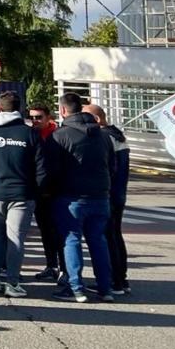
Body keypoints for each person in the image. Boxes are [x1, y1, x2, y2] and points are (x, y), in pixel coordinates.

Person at [0, 91, 44, 299]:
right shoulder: (29, 133)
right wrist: (35, 190)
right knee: (16, 238)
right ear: (19, 109)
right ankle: (12, 281)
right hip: (22, 194)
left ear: (0, 108)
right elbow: (41, 167)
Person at [48, 93, 116, 303]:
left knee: (71, 240)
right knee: (98, 241)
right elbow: (111, 165)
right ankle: (106, 288)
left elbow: (51, 169)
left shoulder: (60, 135)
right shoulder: (103, 135)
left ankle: (75, 287)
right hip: (100, 195)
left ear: (62, 110)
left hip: (71, 197)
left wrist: (50, 190)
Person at [85, 104, 131, 295]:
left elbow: (108, 169)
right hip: (118, 194)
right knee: (115, 236)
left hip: (108, 195)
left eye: (84, 116)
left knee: (107, 238)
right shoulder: (117, 135)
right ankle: (121, 279)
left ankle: (114, 281)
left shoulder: (105, 138)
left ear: (96, 119)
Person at [29, 103, 65, 284]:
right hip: (39, 192)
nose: (35, 121)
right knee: (45, 230)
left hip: (57, 191)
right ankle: (51, 265)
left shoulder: (58, 135)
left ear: (49, 117)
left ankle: (63, 268)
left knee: (59, 231)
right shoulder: (31, 134)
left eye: (39, 117)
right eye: (32, 117)